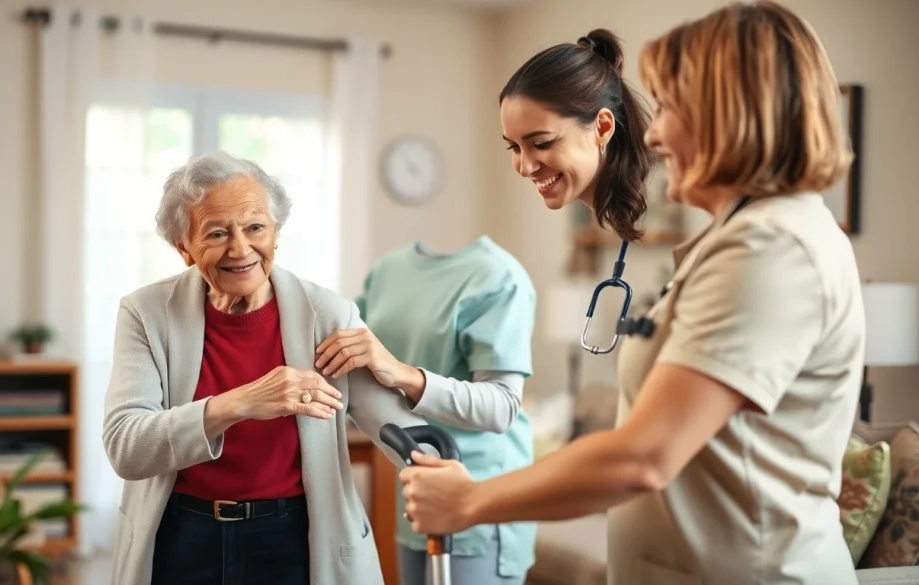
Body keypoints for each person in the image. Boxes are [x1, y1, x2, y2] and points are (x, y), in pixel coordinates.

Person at [399, 3, 864, 584]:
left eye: (671, 107)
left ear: (733, 114)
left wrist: (472, 501)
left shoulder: (773, 249)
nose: (654, 132)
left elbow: (643, 456)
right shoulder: (741, 240)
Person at [101, 151, 431, 585]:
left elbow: (396, 429)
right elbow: (126, 445)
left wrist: (442, 468)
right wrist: (240, 402)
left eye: (255, 227)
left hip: (295, 537)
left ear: (275, 234)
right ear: (184, 248)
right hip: (183, 536)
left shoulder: (327, 314)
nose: (240, 249)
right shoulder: (147, 313)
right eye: (217, 233)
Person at [314, 235, 538, 585]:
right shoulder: (387, 271)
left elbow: (502, 408)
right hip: (415, 491)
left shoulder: (497, 276)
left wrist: (404, 374)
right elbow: (349, 356)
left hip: (479, 497)